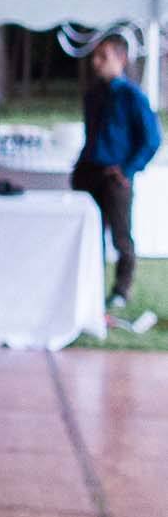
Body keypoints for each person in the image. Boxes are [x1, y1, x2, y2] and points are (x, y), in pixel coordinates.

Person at [73, 33, 160, 311]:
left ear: (121, 59)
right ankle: (90, 287)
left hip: (115, 175)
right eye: (95, 57)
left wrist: (128, 168)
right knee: (90, 234)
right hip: (89, 172)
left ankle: (122, 289)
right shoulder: (93, 94)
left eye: (104, 56)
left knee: (121, 235)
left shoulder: (132, 96)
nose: (96, 63)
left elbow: (152, 139)